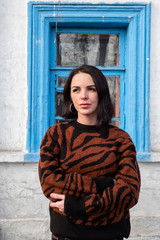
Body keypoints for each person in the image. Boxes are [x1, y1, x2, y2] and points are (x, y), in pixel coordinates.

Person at [38, 64, 141, 240]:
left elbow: (129, 192)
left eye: (91, 89)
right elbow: (51, 184)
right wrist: (105, 184)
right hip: (66, 235)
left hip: (111, 235)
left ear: (101, 93)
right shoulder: (55, 134)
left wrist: (77, 205)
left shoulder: (120, 138)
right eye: (76, 90)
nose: (83, 96)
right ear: (70, 96)